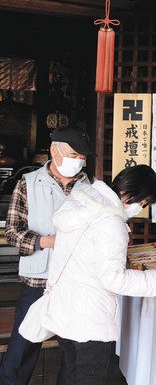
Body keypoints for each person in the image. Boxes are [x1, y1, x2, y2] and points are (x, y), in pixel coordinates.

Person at [39, 165, 156, 385]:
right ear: (129, 194)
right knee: (90, 377)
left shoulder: (80, 204)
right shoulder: (111, 222)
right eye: (143, 203)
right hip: (90, 318)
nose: (141, 208)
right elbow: (114, 278)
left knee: (70, 372)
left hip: (64, 309)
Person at [0, 125, 93, 385]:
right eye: (74, 155)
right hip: (38, 281)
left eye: (82, 157)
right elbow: (12, 233)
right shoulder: (28, 184)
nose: (79, 162)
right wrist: (47, 241)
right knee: (23, 346)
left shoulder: (92, 187)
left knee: (72, 349)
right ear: (55, 151)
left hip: (76, 280)